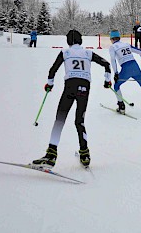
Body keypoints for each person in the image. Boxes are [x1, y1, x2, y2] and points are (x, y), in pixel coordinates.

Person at [32, 30, 112, 168]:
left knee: (60, 120)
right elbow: (106, 64)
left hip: (70, 87)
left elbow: (52, 70)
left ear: (68, 41)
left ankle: (51, 155)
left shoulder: (65, 53)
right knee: (79, 121)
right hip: (84, 88)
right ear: (80, 41)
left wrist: (49, 84)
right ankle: (85, 154)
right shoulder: (88, 53)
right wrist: (107, 81)